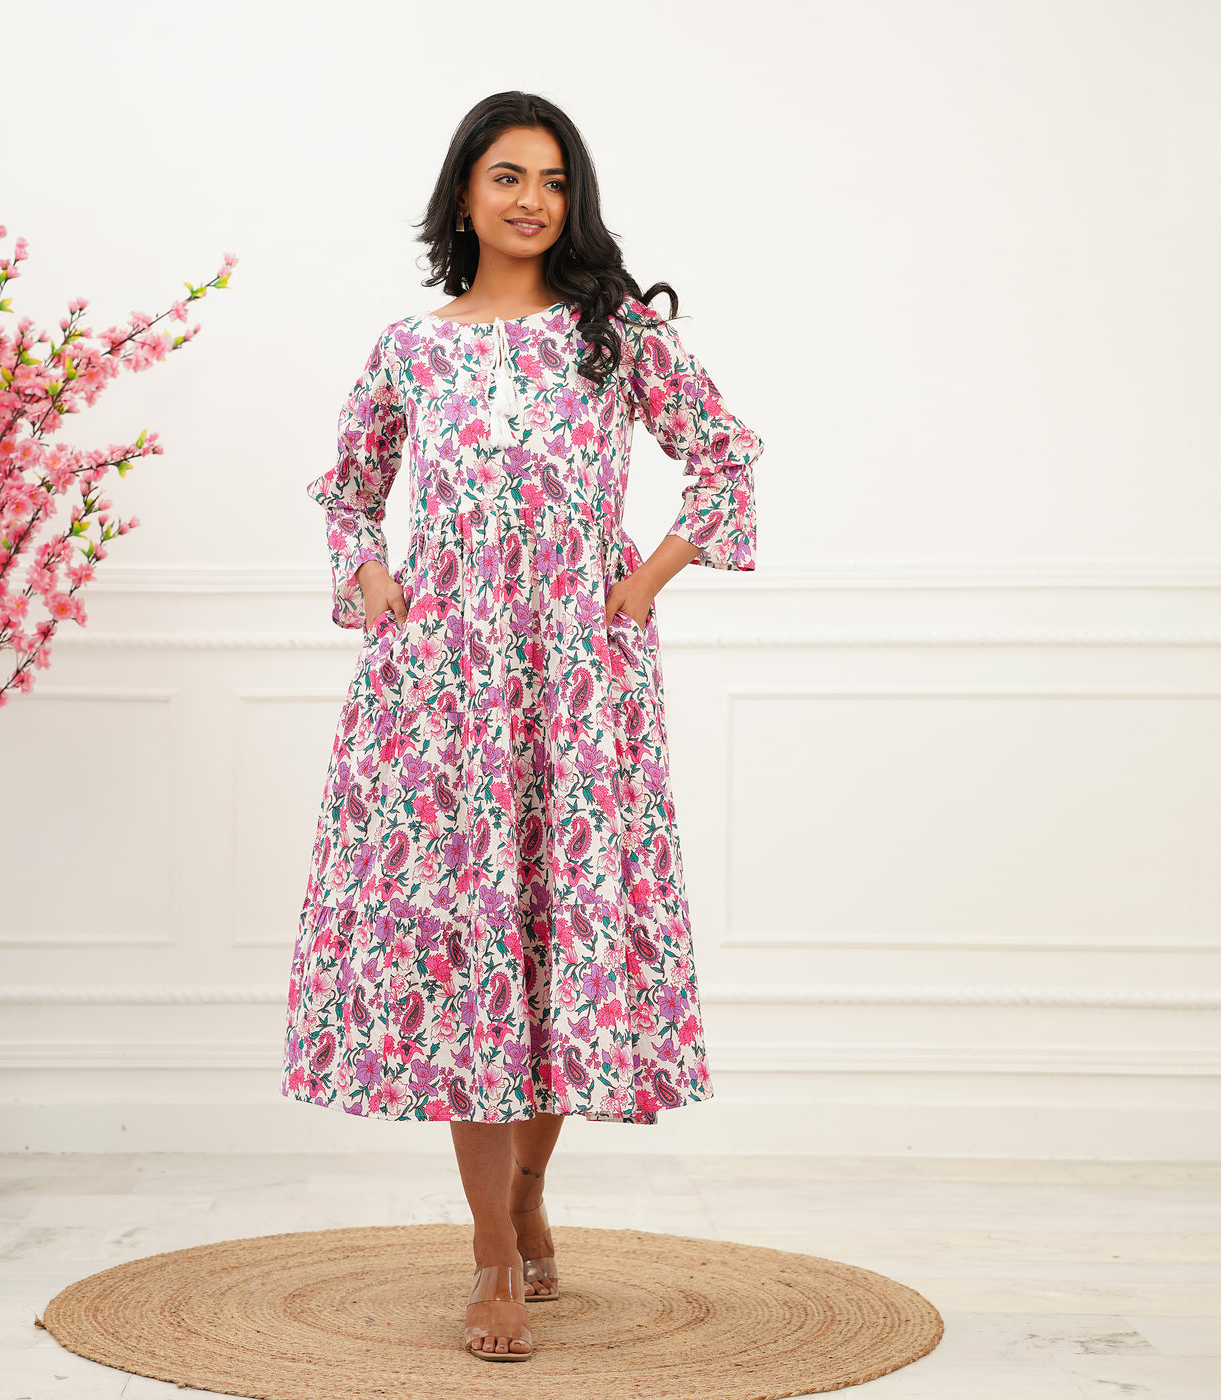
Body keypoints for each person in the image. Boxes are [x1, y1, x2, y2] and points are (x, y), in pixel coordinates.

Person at [281, 89, 763, 1362]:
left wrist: (636, 585)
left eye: (551, 179)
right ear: (462, 196)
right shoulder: (410, 349)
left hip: (581, 689)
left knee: (556, 947)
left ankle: (528, 1190)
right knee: (465, 957)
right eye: (506, 176)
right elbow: (347, 489)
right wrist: (371, 575)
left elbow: (723, 458)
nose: (531, 199)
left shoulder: (614, 337)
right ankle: (490, 1248)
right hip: (441, 694)